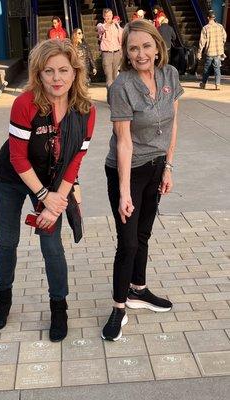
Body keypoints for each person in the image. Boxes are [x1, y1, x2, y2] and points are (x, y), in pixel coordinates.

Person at [0, 39, 96, 342]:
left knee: (51, 246)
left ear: (75, 73)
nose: (57, 78)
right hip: (12, 177)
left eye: (64, 70)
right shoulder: (25, 104)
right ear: (39, 74)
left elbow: (76, 158)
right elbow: (17, 157)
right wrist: (43, 198)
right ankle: (3, 298)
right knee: (7, 240)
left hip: (52, 179)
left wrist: (58, 200)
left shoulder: (86, 111)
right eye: (48, 71)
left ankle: (59, 306)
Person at [101, 19, 184, 341]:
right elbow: (123, 141)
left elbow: (174, 123)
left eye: (146, 46)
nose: (140, 54)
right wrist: (124, 192)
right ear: (125, 52)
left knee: (144, 234)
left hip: (156, 165)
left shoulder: (170, 75)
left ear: (157, 46)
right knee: (129, 241)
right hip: (127, 170)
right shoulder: (121, 86)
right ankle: (118, 307)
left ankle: (139, 289)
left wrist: (168, 167)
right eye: (133, 48)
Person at [197, 10, 227, 90]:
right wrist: (221, 44)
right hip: (218, 52)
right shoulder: (220, 26)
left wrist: (199, 52)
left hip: (209, 52)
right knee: (217, 68)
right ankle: (217, 85)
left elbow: (202, 42)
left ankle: (203, 84)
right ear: (214, 18)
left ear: (208, 18)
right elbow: (224, 37)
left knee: (206, 69)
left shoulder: (205, 28)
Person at [97, 8, 123, 88]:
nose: (108, 17)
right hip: (107, 53)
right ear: (103, 16)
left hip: (117, 52)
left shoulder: (116, 25)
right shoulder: (100, 25)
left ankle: (116, 96)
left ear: (112, 15)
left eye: (110, 15)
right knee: (109, 78)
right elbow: (102, 29)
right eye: (106, 16)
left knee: (116, 76)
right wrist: (110, 23)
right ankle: (111, 97)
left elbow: (121, 37)